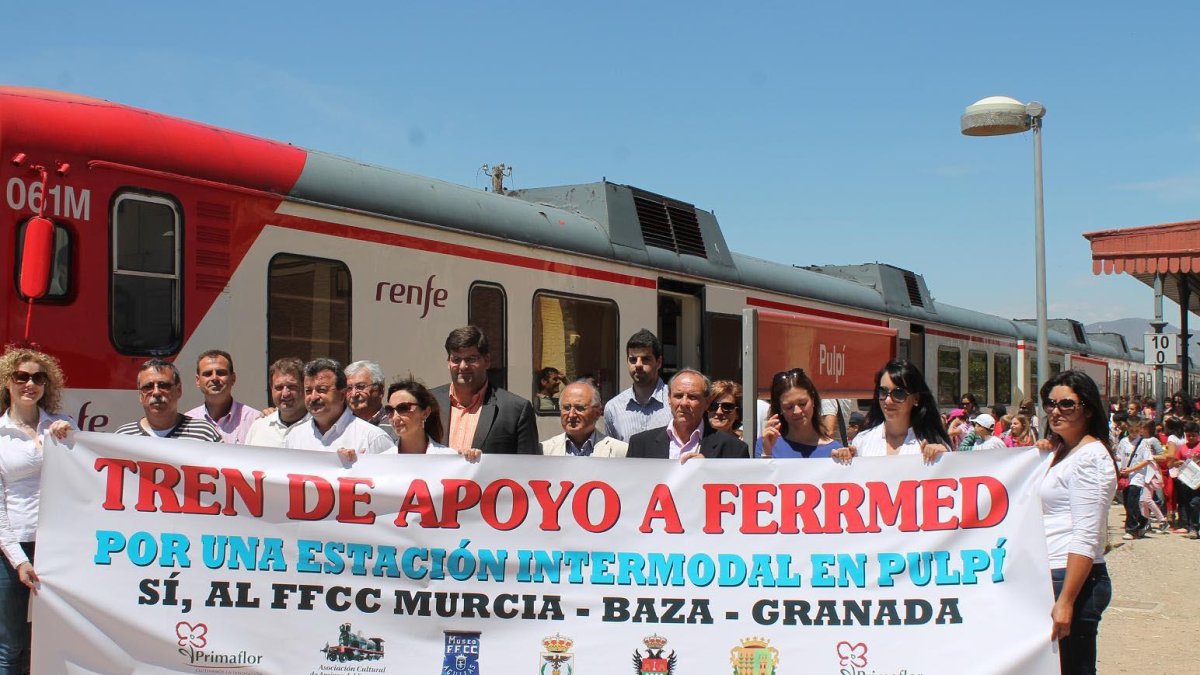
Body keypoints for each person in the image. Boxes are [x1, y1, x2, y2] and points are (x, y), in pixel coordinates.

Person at [1038, 370, 1117, 675]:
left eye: (1067, 404)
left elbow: (1086, 534)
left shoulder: (1090, 458)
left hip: (1072, 581)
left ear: (1088, 408)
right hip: (1051, 575)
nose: (1056, 411)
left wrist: (1067, 600)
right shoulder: (1062, 452)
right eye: (1050, 403)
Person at [0, 347, 73, 673]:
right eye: (21, 377)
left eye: (38, 377)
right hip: (13, 546)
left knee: (64, 637)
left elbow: (89, 474)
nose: (30, 384)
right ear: (8, 382)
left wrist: (70, 440)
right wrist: (19, 560)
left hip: (59, 546)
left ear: (47, 384)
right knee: (11, 645)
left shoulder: (64, 425)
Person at [431, 326, 539, 455]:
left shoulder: (515, 410)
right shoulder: (429, 402)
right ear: (448, 362)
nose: (463, 366)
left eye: (471, 359)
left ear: (487, 361)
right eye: (456, 359)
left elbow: (528, 467)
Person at [834, 359, 950, 461]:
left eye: (898, 393)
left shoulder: (931, 442)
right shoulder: (862, 441)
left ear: (916, 398)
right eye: (883, 392)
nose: (888, 400)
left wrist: (943, 458)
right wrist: (843, 460)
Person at [627, 369, 749, 461]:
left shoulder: (734, 449)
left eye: (692, 397)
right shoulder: (640, 445)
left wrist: (709, 471)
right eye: (678, 396)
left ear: (707, 402)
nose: (684, 403)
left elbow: (741, 490)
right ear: (669, 399)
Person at [286, 358, 394, 460]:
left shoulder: (372, 438)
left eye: (322, 390)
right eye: (308, 391)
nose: (313, 397)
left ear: (342, 395)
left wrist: (358, 466)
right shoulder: (294, 436)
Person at [116, 360, 223, 441]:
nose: (156, 392)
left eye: (164, 385)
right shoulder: (123, 437)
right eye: (148, 387)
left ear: (179, 390)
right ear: (140, 395)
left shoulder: (205, 434)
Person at [385, 378, 479, 461]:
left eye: (403, 408)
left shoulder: (448, 458)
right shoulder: (382, 461)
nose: (395, 417)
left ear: (425, 413)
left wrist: (474, 460)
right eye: (389, 410)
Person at [603, 329, 671, 442]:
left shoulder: (674, 402)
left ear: (659, 362)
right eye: (633, 360)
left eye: (645, 359)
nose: (638, 365)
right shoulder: (613, 408)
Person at [757, 369, 842, 458]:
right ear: (780, 408)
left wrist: (844, 458)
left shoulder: (834, 450)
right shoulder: (766, 444)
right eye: (789, 407)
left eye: (802, 404)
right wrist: (766, 452)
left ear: (813, 400)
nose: (797, 411)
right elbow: (762, 471)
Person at [184, 350, 262, 444]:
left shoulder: (255, 420)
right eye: (208, 374)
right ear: (198, 380)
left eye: (221, 373)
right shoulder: (187, 422)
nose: (214, 378)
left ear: (233, 378)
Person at [540, 381, 628, 457]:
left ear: (597, 413)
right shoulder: (544, 450)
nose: (571, 415)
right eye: (566, 408)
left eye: (579, 408)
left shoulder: (620, 451)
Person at [245, 358, 308, 447]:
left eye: (292, 386)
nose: (285, 394)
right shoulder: (259, 427)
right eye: (279, 387)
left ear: (304, 387)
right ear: (271, 388)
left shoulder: (318, 428)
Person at [1115, 416, 1155, 540]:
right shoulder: (1123, 442)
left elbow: (1147, 460)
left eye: (1137, 431)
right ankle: (1142, 521)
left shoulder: (1144, 443)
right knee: (1127, 503)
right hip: (1125, 476)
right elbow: (1119, 457)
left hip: (1137, 476)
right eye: (1131, 431)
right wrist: (1120, 470)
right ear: (1127, 428)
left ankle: (1131, 529)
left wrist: (1132, 469)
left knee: (1132, 501)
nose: (1134, 433)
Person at [345, 360, 397, 441]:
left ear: (380, 390)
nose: (353, 394)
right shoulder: (341, 427)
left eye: (360, 387)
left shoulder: (396, 425)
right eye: (349, 388)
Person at [1170, 421, 1200, 536]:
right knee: (1186, 503)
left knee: (1195, 502)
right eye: (1188, 435)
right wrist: (1180, 462)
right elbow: (1173, 462)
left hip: (1198, 481)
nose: (1191, 438)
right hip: (1185, 481)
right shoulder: (1183, 448)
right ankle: (1189, 525)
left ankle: (1194, 527)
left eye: (1193, 435)